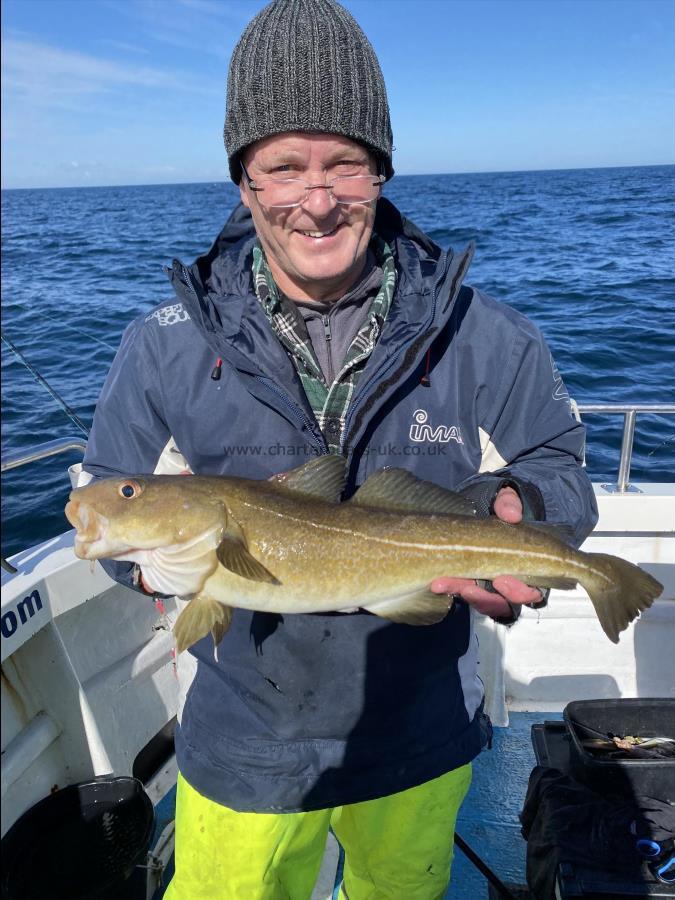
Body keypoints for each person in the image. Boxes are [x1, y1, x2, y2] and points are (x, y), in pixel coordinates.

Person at [82, 0, 598, 896]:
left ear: (382, 173)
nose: (315, 201)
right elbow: (101, 493)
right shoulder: (160, 341)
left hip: (418, 720)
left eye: (345, 166)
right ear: (244, 181)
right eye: (282, 167)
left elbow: (557, 460)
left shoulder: (486, 331)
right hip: (244, 737)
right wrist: (147, 571)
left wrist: (526, 510)